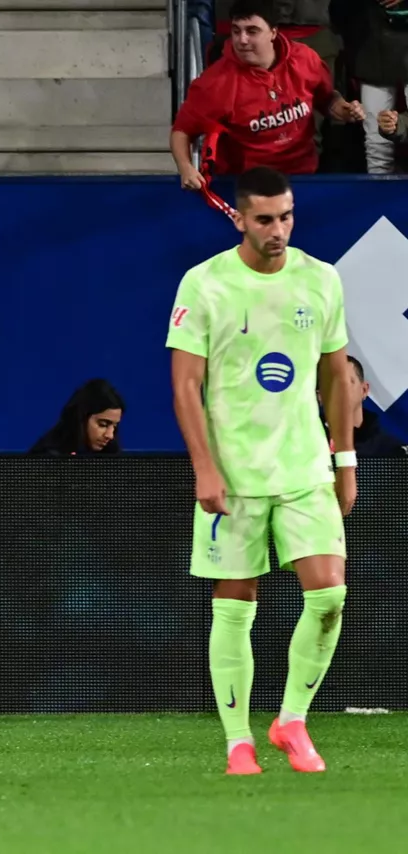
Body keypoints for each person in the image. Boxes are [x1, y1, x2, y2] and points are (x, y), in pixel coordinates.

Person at [166, 166, 356, 775]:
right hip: (235, 474)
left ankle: (291, 721)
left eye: (287, 216)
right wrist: (204, 468)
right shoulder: (205, 283)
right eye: (266, 219)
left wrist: (344, 460)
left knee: (329, 594)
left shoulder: (321, 280)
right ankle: (237, 743)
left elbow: (336, 376)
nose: (279, 230)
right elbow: (185, 385)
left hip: (304, 466)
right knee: (234, 604)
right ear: (240, 220)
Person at [170, 0, 363, 188]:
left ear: (273, 32)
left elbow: (326, 98)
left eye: (252, 31)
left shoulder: (304, 58)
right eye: (236, 31)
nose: (242, 40)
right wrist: (186, 168)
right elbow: (181, 131)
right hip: (246, 186)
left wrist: (342, 109)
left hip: (302, 179)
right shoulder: (214, 83)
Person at [28, 379, 125, 455]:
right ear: (81, 418)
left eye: (114, 426)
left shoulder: (111, 452)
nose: (110, 435)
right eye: (103, 425)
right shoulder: (47, 456)